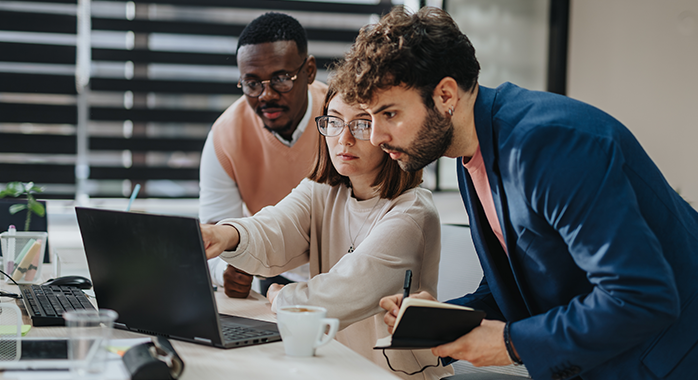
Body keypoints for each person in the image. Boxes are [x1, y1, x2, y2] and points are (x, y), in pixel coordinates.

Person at [330, 6, 698, 380]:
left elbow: (641, 296)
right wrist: (442, 320)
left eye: (389, 114)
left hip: (670, 360)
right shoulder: (469, 152)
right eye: (371, 117)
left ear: (445, 96)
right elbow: (518, 281)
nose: (375, 136)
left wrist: (510, 343)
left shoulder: (549, 144)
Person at [200, 88, 452, 379]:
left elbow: (337, 296)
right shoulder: (323, 190)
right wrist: (224, 235)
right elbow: (274, 228)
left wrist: (281, 296)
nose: (343, 139)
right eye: (334, 121)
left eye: (361, 124)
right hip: (337, 368)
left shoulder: (412, 214)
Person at [199, 12, 326, 298]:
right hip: (273, 274)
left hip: (340, 271)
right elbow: (214, 232)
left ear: (309, 71)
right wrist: (225, 271)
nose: (265, 96)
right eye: (252, 83)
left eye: (281, 78)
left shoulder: (341, 121)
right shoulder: (224, 137)